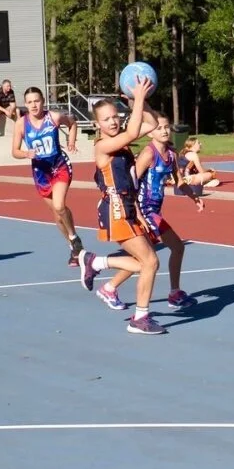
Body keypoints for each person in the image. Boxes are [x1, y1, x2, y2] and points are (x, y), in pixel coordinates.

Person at [77, 77, 166, 335]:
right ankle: (139, 318)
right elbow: (132, 131)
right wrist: (137, 99)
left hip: (128, 207)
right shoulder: (103, 146)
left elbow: (150, 123)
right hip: (115, 209)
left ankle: (96, 263)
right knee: (150, 262)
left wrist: (140, 100)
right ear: (97, 124)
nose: (113, 121)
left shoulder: (123, 145)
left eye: (116, 116)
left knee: (146, 263)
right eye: (106, 119)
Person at [94, 113, 204, 311]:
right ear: (149, 132)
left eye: (166, 127)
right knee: (163, 253)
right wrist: (136, 211)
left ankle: (110, 287)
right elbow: (131, 182)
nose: (163, 130)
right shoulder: (148, 154)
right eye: (159, 127)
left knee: (147, 258)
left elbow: (179, 181)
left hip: (154, 210)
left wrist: (194, 197)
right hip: (144, 210)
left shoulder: (170, 154)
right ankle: (173, 293)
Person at [11, 86, 84, 267]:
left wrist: (71, 141)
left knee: (60, 205)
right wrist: (26, 154)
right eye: (29, 102)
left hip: (58, 166)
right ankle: (74, 250)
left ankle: (75, 238)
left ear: (43, 101)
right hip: (40, 173)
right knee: (57, 214)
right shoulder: (21, 123)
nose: (34, 105)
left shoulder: (53, 117)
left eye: (37, 101)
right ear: (25, 104)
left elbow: (72, 123)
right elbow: (14, 151)